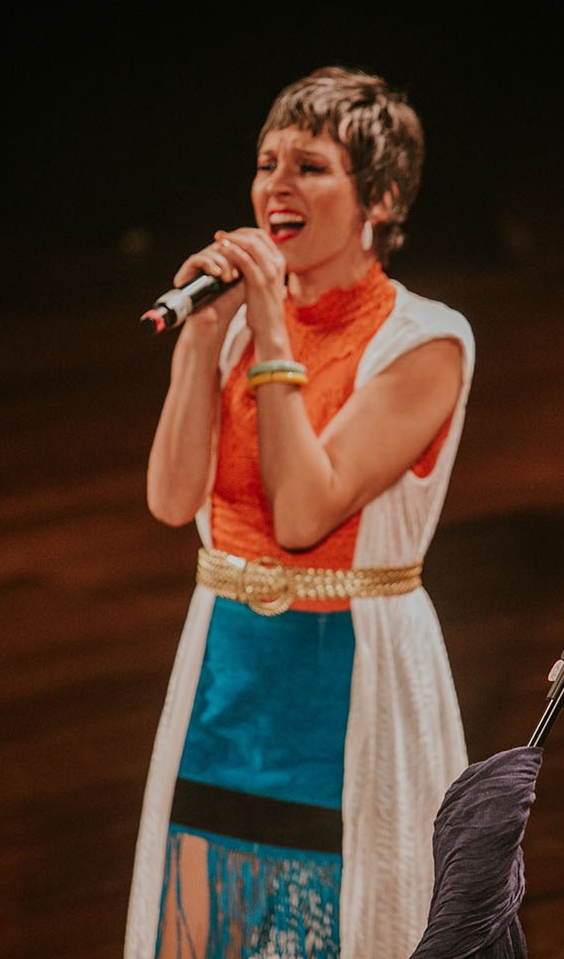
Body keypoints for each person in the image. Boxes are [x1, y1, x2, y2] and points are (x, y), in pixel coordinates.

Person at [124, 65, 474, 959]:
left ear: (381, 197)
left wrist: (272, 332)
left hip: (349, 669)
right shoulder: (237, 326)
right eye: (265, 161)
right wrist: (205, 337)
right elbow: (170, 500)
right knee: (202, 919)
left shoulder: (425, 340)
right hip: (230, 664)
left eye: (309, 166)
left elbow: (305, 514)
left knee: (346, 919)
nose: (275, 185)